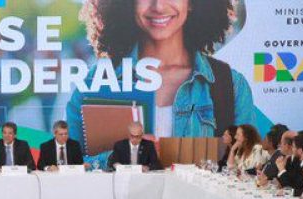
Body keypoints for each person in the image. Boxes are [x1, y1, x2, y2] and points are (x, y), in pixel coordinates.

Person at [71, 0, 257, 156]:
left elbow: (246, 168)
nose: (158, 6)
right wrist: (119, 157)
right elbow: (71, 168)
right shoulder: (92, 84)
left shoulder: (231, 86)